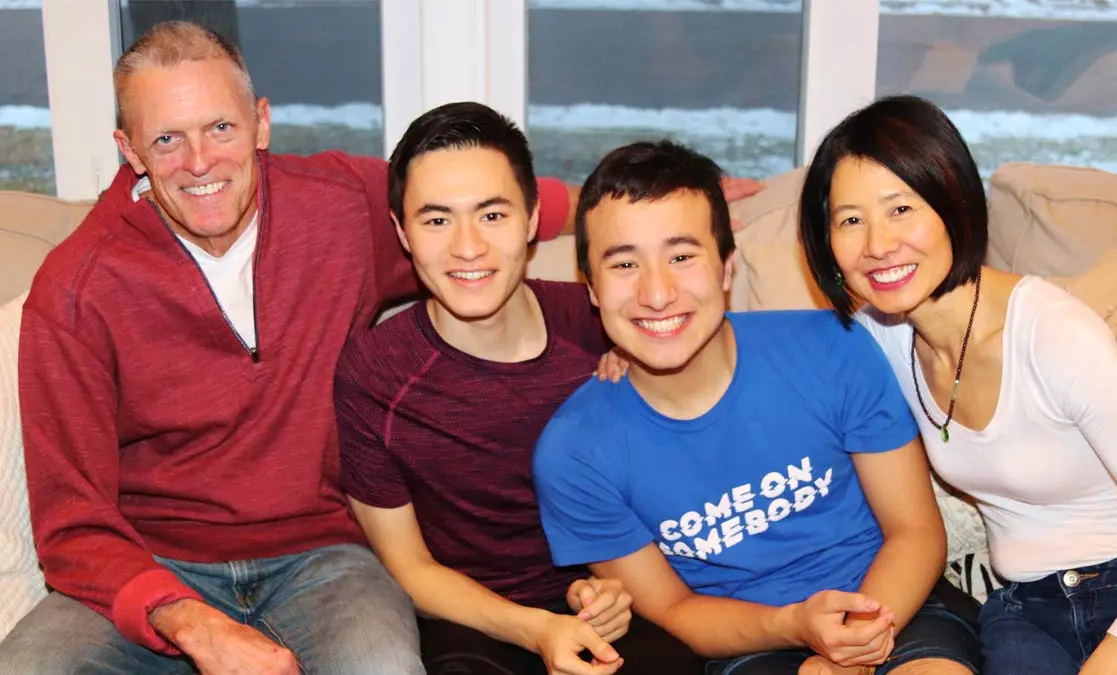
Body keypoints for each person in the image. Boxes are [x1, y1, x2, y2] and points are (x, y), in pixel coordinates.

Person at [0, 21, 577, 675]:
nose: (199, 161)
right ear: (129, 149)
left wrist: (646, 208)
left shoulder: (341, 207)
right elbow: (71, 519)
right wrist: (190, 620)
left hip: (325, 555)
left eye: (221, 128)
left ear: (261, 123)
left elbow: (473, 204)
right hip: (151, 564)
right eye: (167, 138)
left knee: (382, 666)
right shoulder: (76, 288)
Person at [532, 140, 982, 675]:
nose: (657, 293)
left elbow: (914, 530)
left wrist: (850, 651)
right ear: (592, 287)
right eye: (625, 263)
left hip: (893, 601)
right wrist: (793, 625)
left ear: (725, 269)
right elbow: (675, 610)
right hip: (749, 639)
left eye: (681, 256)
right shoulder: (574, 453)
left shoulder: (829, 347)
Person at [797, 94, 1117, 675]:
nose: (878, 245)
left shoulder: (1051, 333)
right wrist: (628, 360)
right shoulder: (881, 335)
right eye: (851, 220)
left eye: (901, 209)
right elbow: (761, 358)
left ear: (952, 204)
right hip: (1025, 611)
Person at [334, 101, 705, 675]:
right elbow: (409, 568)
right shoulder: (376, 373)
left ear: (532, 219)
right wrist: (536, 628)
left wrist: (608, 589)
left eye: (492, 215)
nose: (467, 247)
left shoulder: (606, 320)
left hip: (614, 598)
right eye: (436, 220)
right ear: (401, 232)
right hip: (473, 624)